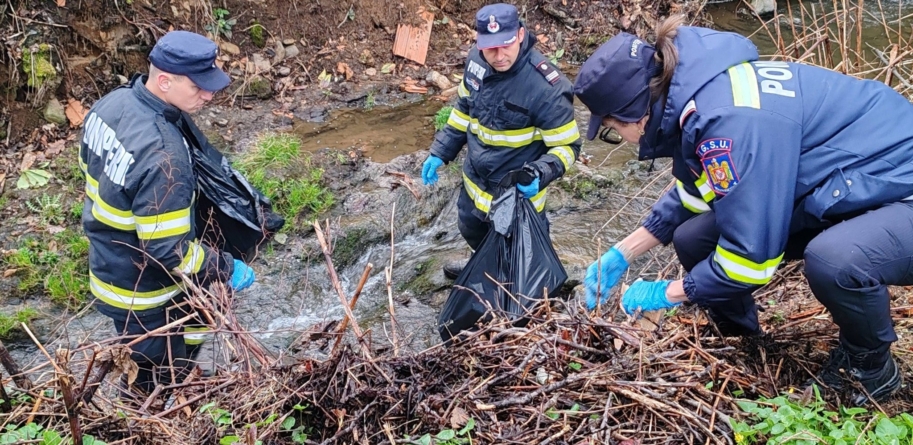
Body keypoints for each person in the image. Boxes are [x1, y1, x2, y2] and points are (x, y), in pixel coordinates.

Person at [573, 16, 911, 405]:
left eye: (615, 130)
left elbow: (752, 260)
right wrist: (622, 253)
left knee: (834, 260)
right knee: (692, 238)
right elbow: (695, 193)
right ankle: (740, 340)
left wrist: (669, 292)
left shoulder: (728, 122)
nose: (625, 141)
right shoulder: (695, 96)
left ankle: (870, 367)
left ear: (638, 113)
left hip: (900, 192)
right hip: (845, 187)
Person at [79, 30, 256, 396]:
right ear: (164, 80)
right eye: (198, 87)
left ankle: (185, 377)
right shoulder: (165, 157)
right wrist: (225, 267)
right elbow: (168, 251)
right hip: (145, 294)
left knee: (189, 333)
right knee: (154, 382)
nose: (208, 95)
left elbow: (89, 166)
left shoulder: (113, 104)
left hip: (111, 261)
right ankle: (155, 414)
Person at [421, 3, 582, 279]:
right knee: (471, 227)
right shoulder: (475, 62)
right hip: (475, 185)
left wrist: (540, 174)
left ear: (520, 35)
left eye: (505, 45)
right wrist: (441, 151)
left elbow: (568, 147)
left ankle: (517, 288)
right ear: (479, 43)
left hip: (516, 194)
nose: (498, 56)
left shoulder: (546, 87)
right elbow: (463, 109)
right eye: (490, 48)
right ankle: (484, 264)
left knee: (522, 259)